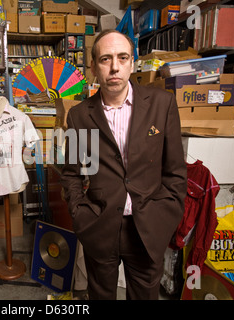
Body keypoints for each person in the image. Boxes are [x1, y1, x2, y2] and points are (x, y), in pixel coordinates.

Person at [60, 29, 187, 300]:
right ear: (93, 67)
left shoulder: (162, 105)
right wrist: (81, 215)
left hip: (147, 228)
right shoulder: (79, 116)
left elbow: (175, 171)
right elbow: (71, 174)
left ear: (132, 62)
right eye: (105, 59)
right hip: (100, 227)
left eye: (122, 57)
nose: (114, 67)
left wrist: (165, 217)